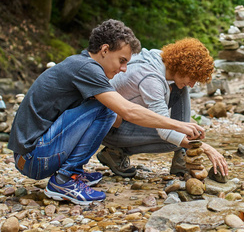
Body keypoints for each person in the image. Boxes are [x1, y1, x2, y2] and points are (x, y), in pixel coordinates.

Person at [8, 20, 204, 205]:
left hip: (33, 156)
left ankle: (73, 172)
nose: (124, 68)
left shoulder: (82, 64)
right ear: (104, 50)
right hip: (34, 158)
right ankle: (63, 180)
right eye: (121, 60)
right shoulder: (87, 69)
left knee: (107, 110)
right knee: (107, 108)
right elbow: (127, 111)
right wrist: (179, 125)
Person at [98, 38, 229, 178]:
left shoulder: (160, 59)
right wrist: (205, 148)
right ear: (183, 66)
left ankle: (182, 156)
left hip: (128, 117)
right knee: (175, 141)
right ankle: (115, 153)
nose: (192, 85)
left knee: (180, 90)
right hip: (108, 129)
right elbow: (166, 132)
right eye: (192, 78)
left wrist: (187, 135)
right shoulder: (150, 78)